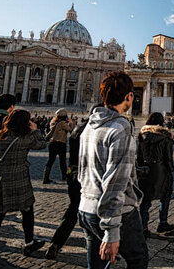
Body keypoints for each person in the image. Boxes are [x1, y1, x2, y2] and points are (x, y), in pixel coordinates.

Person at [78, 72, 148, 269]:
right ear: (128, 97)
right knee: (138, 260)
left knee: (97, 265)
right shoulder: (121, 126)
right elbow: (115, 182)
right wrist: (111, 230)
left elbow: (83, 170)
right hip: (117, 213)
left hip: (86, 208)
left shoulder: (89, 126)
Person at [0, 109, 48, 267]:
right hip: (19, 177)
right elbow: (42, 144)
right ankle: (28, 243)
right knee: (27, 211)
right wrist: (35, 130)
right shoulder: (25, 138)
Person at [45, 104, 102, 260]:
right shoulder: (97, 130)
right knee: (97, 214)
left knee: (72, 211)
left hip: (73, 173)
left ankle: (56, 243)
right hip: (89, 176)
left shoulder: (78, 129)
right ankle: (100, 250)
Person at [137, 112, 174, 238]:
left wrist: (141, 168)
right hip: (162, 171)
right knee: (165, 196)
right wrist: (170, 170)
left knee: (145, 201)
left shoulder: (141, 136)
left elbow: (138, 156)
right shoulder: (166, 138)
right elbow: (168, 158)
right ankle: (162, 223)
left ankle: (143, 228)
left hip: (146, 171)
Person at [43, 108, 75, 184]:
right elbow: (71, 130)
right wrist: (71, 122)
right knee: (63, 162)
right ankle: (65, 176)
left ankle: (45, 178)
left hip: (52, 143)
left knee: (50, 161)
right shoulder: (62, 123)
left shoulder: (53, 122)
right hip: (61, 144)